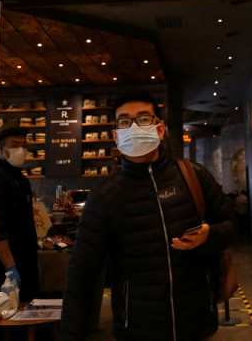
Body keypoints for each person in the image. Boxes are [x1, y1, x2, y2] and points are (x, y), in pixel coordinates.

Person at [61, 92, 237, 341]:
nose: (133, 127)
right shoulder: (104, 197)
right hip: (138, 330)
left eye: (143, 119)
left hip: (198, 324)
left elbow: (230, 225)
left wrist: (210, 237)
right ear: (115, 135)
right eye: (124, 122)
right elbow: (81, 274)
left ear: (160, 128)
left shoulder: (194, 176)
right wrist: (70, 334)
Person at [0, 125, 39, 301]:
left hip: (26, 257)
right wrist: (10, 267)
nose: (21, 150)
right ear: (0, 148)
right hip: (7, 263)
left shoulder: (20, 178)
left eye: (24, 145)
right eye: (14, 144)